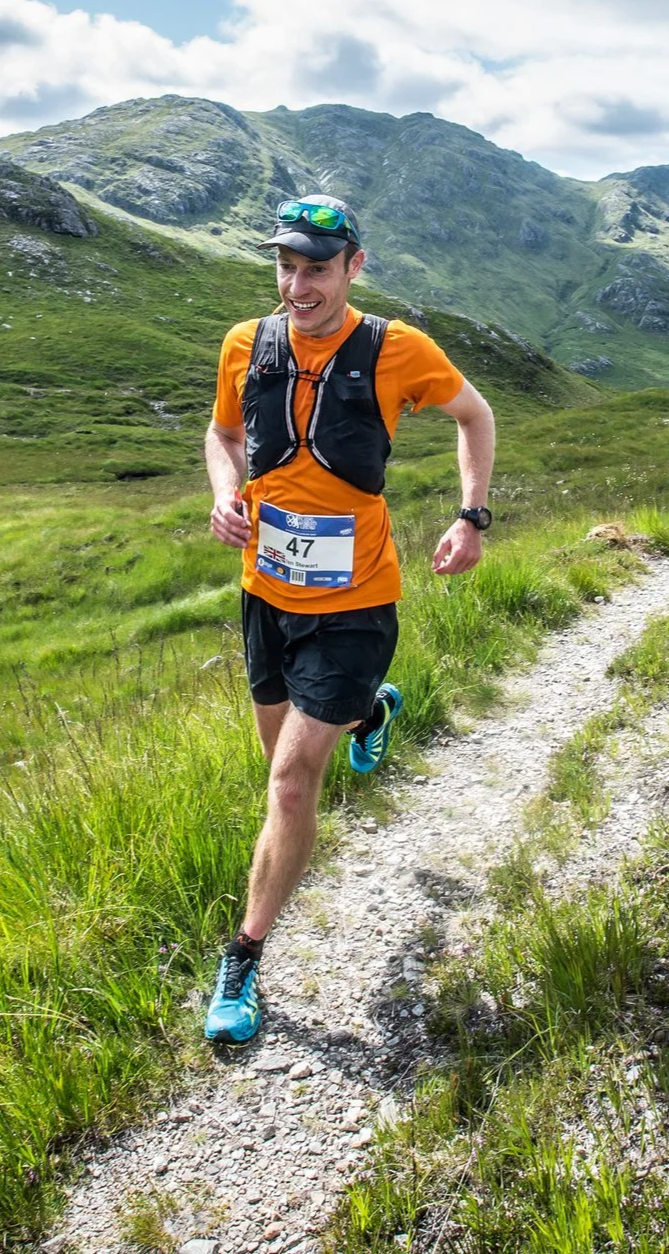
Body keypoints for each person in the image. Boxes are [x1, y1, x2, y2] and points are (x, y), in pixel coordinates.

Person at [203, 194, 495, 1043]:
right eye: (286, 266)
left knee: (291, 782)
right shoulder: (244, 343)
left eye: (317, 268)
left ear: (353, 266)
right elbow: (223, 434)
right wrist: (225, 492)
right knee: (278, 766)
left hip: (359, 603)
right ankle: (373, 708)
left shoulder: (396, 348)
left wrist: (470, 516)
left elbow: (474, 415)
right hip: (266, 595)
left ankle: (244, 960)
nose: (299, 285)